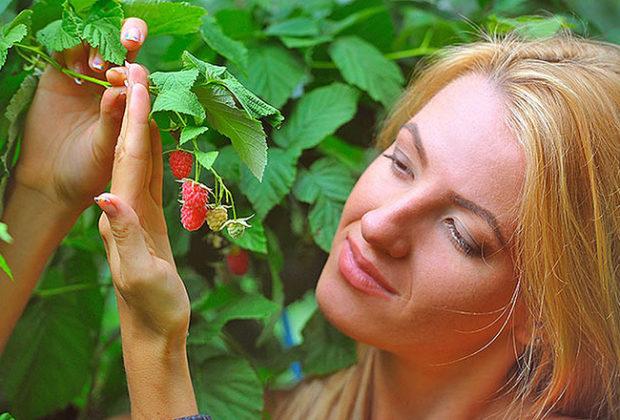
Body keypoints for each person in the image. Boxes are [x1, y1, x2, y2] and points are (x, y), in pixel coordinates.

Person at [1, 24, 619, 420]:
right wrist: (41, 191)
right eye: (401, 162)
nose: (380, 225)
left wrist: (156, 347)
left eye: (463, 234)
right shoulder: (289, 403)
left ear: (553, 317)